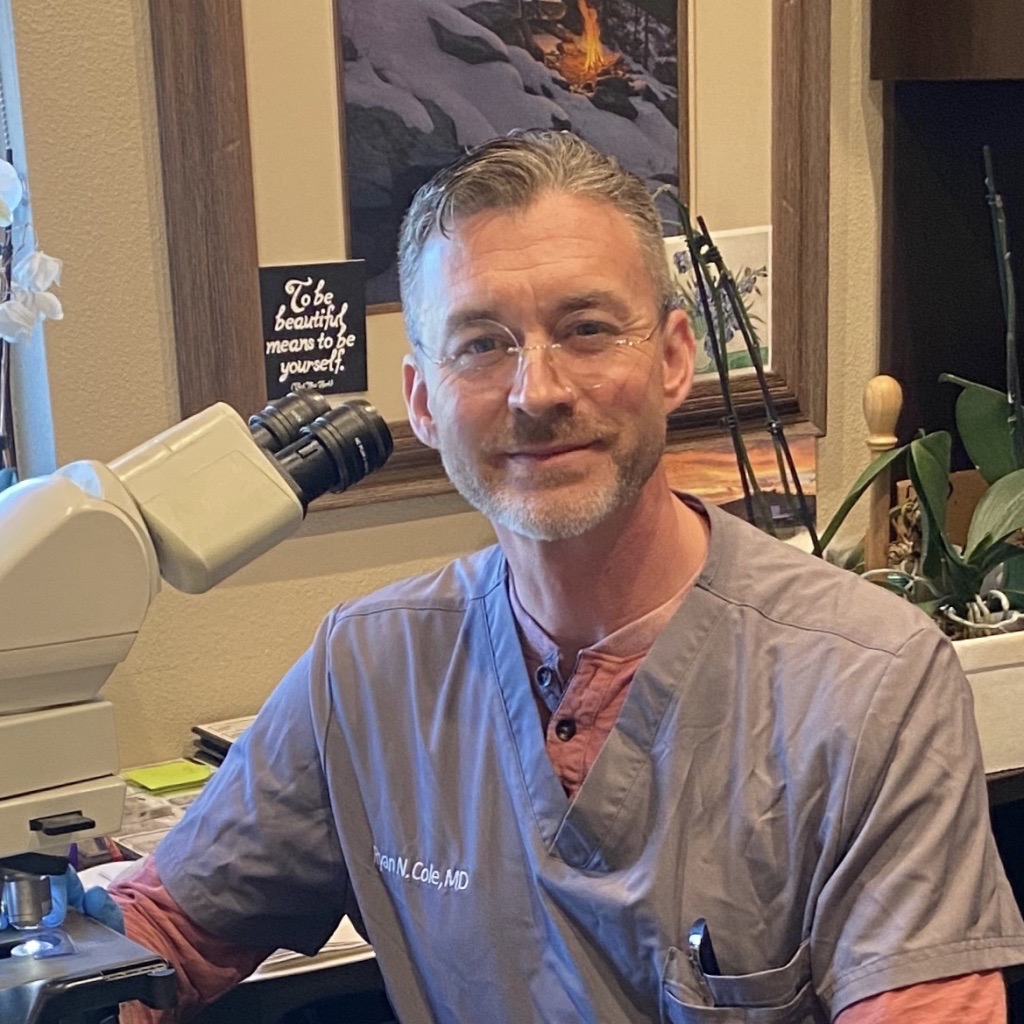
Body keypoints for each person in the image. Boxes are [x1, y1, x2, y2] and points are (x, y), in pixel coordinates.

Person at [109, 130, 1024, 1023]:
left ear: (672, 358)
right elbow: (157, 939)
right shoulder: (367, 667)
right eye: (480, 343)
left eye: (587, 330)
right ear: (423, 399)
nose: (536, 391)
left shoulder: (870, 682)